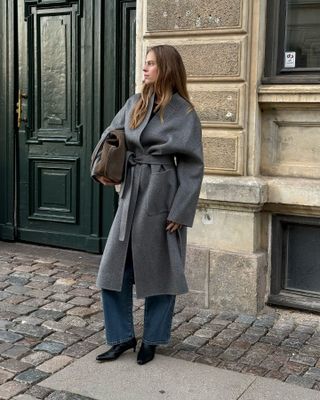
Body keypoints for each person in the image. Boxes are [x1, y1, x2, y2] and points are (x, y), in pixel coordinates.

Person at [91, 45, 204, 365]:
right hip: (131, 196)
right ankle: (121, 337)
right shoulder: (134, 103)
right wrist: (104, 169)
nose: (145, 68)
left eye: (151, 64)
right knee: (112, 272)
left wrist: (181, 211)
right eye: (145, 63)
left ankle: (152, 339)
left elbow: (193, 165)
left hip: (162, 195)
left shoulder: (184, 113)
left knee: (161, 272)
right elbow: (111, 136)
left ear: (166, 68)